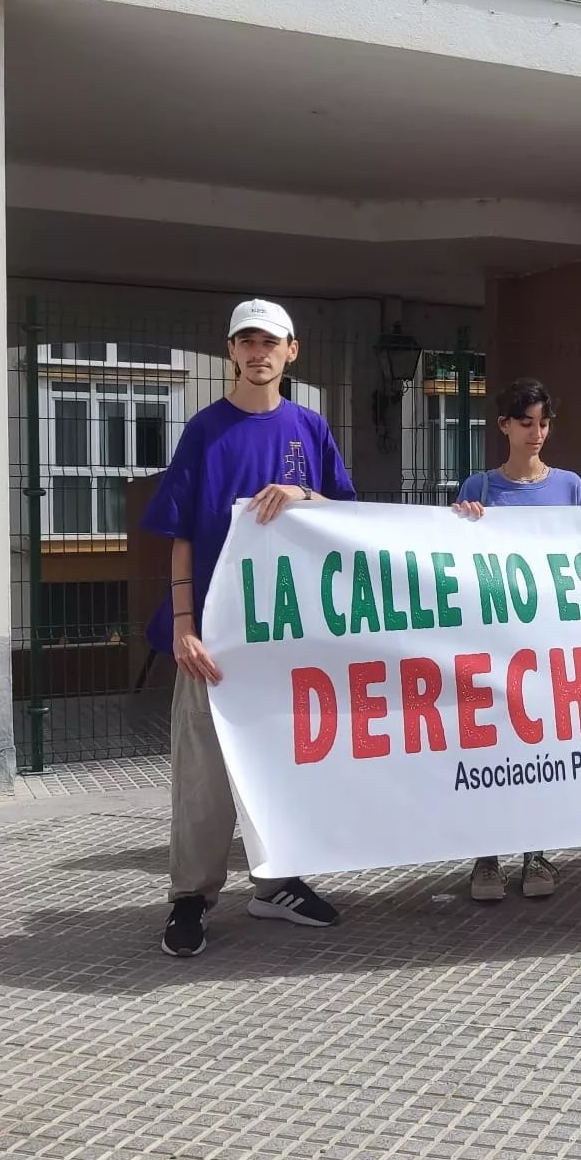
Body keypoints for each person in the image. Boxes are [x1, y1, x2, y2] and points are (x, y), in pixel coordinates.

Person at [147, 298, 356, 959]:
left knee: (282, 768)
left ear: (292, 351)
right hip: (215, 636)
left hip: (289, 636)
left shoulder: (310, 428)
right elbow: (180, 534)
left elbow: (345, 515)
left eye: (271, 342)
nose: (258, 352)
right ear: (231, 350)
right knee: (204, 775)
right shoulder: (205, 431)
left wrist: (304, 494)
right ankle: (190, 897)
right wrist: (183, 625)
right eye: (247, 341)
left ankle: (276, 882)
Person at [453, 377, 581, 902]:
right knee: (490, 746)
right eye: (526, 422)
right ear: (504, 425)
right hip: (492, 642)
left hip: (548, 643)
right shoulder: (478, 488)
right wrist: (462, 523)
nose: (537, 432)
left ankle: (536, 852)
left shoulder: (569, 486)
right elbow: (450, 559)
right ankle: (486, 858)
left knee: (540, 744)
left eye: (544, 422)